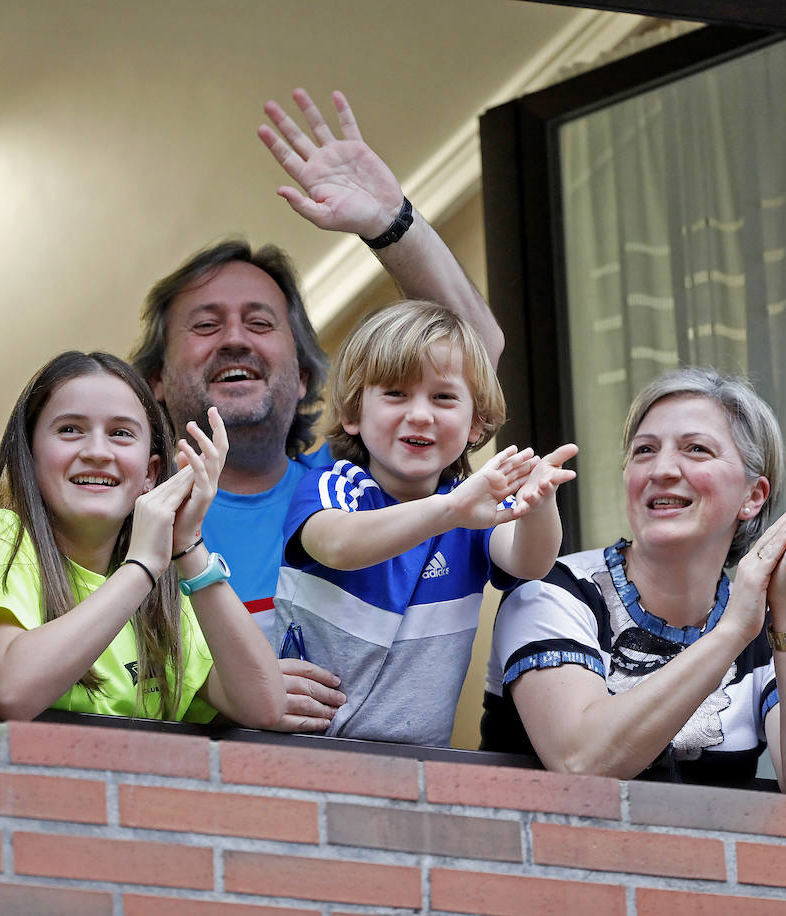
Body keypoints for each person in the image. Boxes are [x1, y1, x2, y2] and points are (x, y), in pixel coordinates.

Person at [129, 88, 503, 732]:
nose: (237, 338)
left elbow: (477, 354)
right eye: (207, 324)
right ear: (157, 379)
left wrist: (392, 222)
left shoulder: (354, 487)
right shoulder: (130, 511)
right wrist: (222, 684)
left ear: (304, 376)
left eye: (259, 322)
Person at [480, 368, 786, 797]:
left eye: (697, 450)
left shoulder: (778, 628)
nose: (660, 470)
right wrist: (733, 632)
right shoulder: (556, 589)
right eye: (644, 451)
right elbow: (581, 762)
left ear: (753, 496)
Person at [274, 302, 577, 745]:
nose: (420, 414)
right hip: (303, 750)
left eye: (443, 397)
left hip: (419, 766)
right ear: (354, 414)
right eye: (396, 393)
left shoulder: (473, 504)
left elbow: (530, 561)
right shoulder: (335, 487)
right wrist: (451, 510)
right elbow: (338, 545)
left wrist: (538, 504)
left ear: (476, 423)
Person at [0, 351, 286, 727]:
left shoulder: (164, 594)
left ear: (150, 473)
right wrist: (141, 567)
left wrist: (188, 546)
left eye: (120, 433)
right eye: (70, 429)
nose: (97, 451)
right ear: (31, 457)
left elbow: (264, 705)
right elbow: (11, 691)